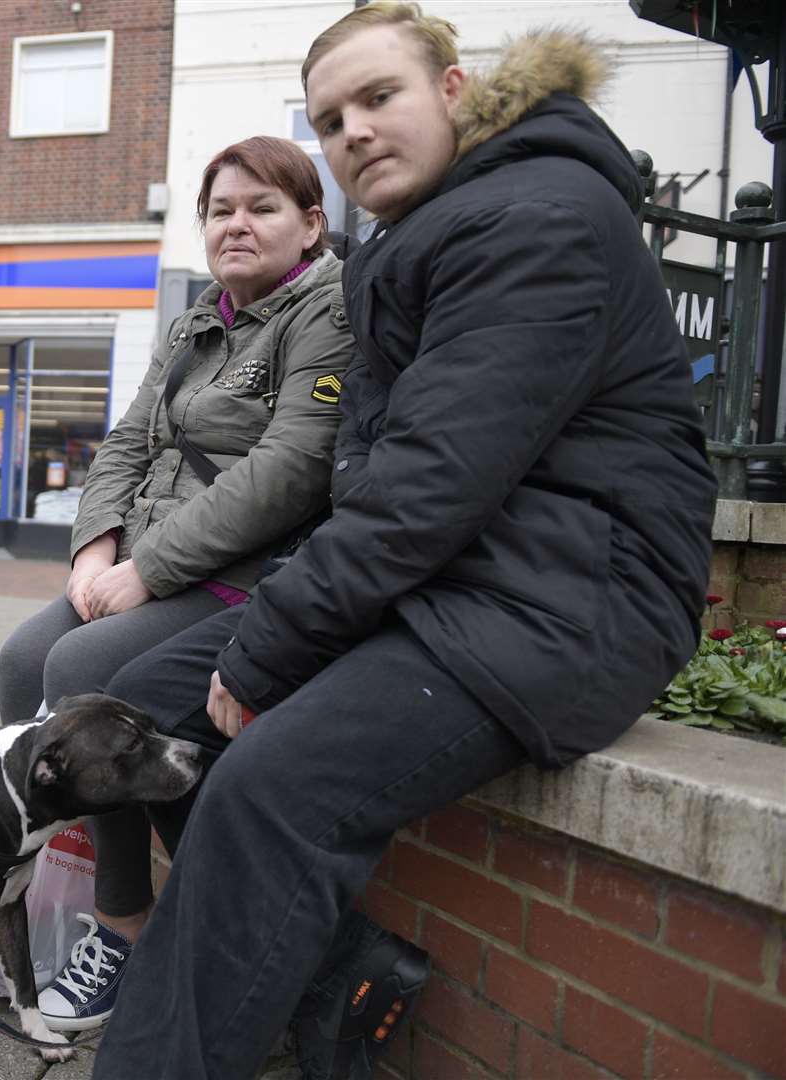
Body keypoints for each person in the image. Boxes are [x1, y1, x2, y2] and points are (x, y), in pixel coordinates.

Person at [90, 7, 717, 1079]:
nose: (355, 134)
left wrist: (269, 641)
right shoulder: (438, 225)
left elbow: (429, 487)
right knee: (140, 711)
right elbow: (393, 489)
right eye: (332, 119)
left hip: (562, 604)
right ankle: (340, 979)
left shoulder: (539, 218)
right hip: (456, 579)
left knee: (264, 783)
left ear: (459, 94)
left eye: (381, 98)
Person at [0, 138, 354, 1033]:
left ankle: (122, 921)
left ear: (311, 225)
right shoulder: (198, 319)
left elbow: (295, 465)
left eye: (262, 207)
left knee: (81, 672)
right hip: (141, 559)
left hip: (243, 575)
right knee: (21, 660)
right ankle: (38, 893)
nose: (237, 223)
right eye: (221, 208)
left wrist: (148, 570)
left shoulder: (329, 308)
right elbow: (125, 443)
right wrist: (94, 548)